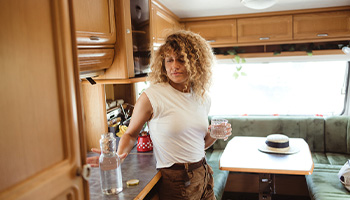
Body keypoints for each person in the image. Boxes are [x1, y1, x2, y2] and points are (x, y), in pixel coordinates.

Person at [87, 30, 232, 200]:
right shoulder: (152, 96)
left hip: (204, 175)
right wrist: (118, 158)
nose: (174, 66)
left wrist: (214, 134)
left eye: (181, 59)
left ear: (196, 63)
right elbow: (131, 134)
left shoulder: (202, 97)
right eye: (169, 60)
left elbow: (199, 145)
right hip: (177, 182)